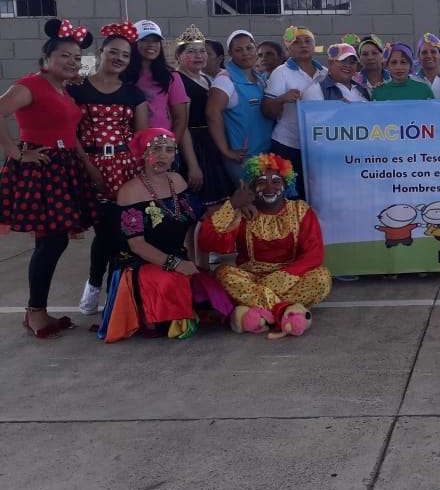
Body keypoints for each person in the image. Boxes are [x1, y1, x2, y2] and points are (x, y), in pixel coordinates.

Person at [0, 18, 95, 338]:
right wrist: (15, 152)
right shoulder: (31, 84)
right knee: (50, 242)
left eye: (77, 57)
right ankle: (35, 312)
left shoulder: (65, 91)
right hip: (41, 167)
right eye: (65, 56)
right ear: (46, 60)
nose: (72, 61)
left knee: (51, 242)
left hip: (64, 168)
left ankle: (36, 310)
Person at [199, 153, 332, 330]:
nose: (270, 187)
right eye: (262, 182)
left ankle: (256, 311)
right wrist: (232, 205)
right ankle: (285, 312)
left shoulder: (300, 209)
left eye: (276, 181)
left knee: (322, 278)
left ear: (286, 184)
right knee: (223, 274)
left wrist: (283, 276)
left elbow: (314, 254)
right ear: (252, 187)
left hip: (289, 277)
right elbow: (209, 243)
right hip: (251, 277)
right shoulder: (243, 212)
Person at [69, 22, 148, 315]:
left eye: (125, 55)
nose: (118, 58)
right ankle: (93, 284)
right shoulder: (78, 89)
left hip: (125, 167)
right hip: (89, 164)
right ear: (101, 52)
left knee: (119, 231)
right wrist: (88, 165)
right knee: (103, 230)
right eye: (113, 52)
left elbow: (141, 137)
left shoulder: (133, 93)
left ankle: (116, 294)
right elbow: (70, 132)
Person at [99, 128, 205, 342]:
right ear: (144, 154)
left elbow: (196, 223)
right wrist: (176, 264)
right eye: (156, 149)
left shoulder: (177, 180)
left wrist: (195, 261)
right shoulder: (130, 191)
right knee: (169, 282)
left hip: (176, 256)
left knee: (210, 288)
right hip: (139, 263)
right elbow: (137, 245)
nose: (163, 155)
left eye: (169, 150)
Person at [125, 20, 202, 190]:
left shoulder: (170, 77)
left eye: (155, 41)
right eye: (145, 40)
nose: (151, 45)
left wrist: (167, 152)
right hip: (129, 153)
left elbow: (181, 120)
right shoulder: (123, 75)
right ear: (134, 44)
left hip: (164, 153)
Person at [262, 26, 325, 200]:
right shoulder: (281, 72)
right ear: (289, 47)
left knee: (315, 194)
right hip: (287, 145)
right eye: (296, 42)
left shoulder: (324, 73)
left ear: (314, 45)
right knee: (290, 196)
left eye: (307, 41)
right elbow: (267, 111)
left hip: (316, 146)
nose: (303, 45)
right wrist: (281, 99)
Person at [175, 25, 232, 210]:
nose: (198, 56)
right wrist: (193, 164)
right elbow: (182, 125)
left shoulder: (206, 79)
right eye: (191, 51)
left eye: (202, 51)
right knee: (198, 209)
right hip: (193, 146)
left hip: (210, 145)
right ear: (179, 56)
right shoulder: (177, 80)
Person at [208, 30, 273, 184]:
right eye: (238, 50)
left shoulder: (260, 78)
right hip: (244, 158)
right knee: (250, 203)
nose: (245, 53)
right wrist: (226, 150)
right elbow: (212, 113)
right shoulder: (226, 79)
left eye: (249, 48)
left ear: (255, 48)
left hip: (266, 154)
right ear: (230, 53)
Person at [302, 42, 371, 102]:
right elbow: (314, 116)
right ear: (330, 63)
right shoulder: (315, 90)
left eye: (352, 62)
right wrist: (337, 108)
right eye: (343, 61)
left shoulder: (363, 90)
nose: (347, 65)